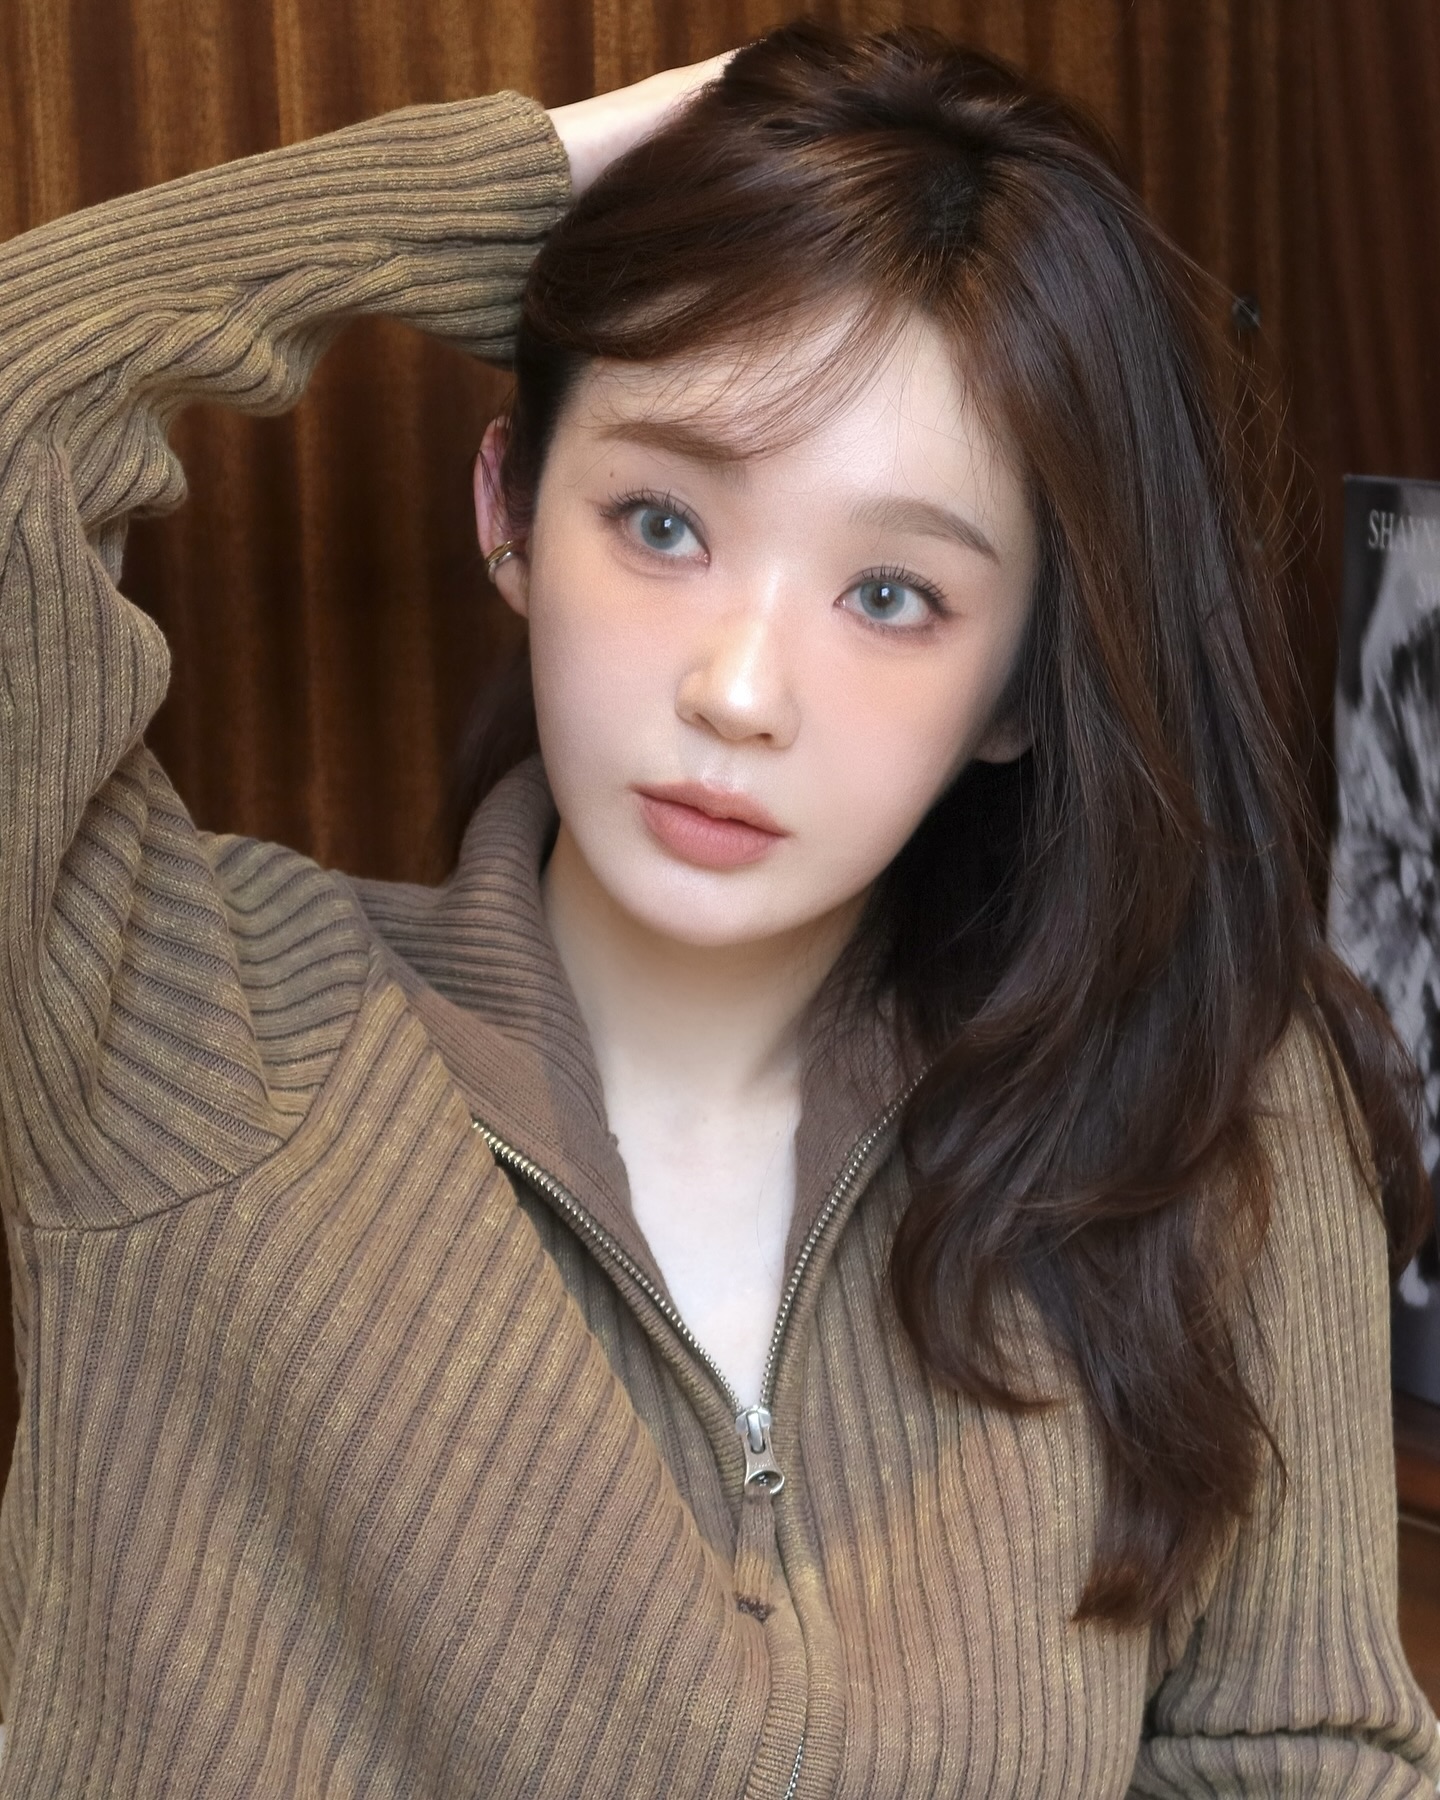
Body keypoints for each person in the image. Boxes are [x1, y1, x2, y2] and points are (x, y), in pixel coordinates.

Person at [0, 19, 1433, 1797]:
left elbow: (1301, 1758)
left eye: (892, 594)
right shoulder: (179, 1027)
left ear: (1020, 686)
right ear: (513, 512)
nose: (740, 692)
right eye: (663, 522)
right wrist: (531, 183)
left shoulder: (1204, 1110)